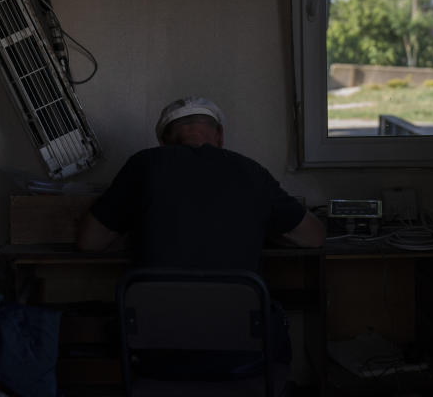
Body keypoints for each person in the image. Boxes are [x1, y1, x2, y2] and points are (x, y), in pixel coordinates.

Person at [77, 95, 325, 378]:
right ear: (219, 135)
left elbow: (89, 241)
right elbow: (314, 236)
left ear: (164, 141)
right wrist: (262, 228)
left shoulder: (144, 164)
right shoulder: (251, 171)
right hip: (239, 353)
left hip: (155, 353)